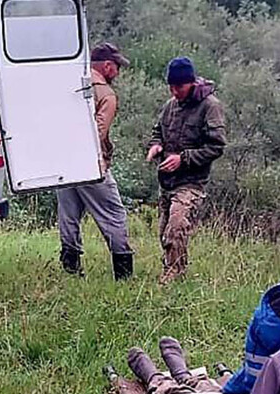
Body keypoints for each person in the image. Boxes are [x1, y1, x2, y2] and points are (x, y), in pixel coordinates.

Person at [146, 57, 226, 285]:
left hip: (192, 181)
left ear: (191, 83)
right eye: (171, 86)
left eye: (179, 87)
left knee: (177, 226)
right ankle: (175, 271)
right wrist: (156, 146)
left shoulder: (210, 106)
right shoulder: (170, 106)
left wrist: (183, 159)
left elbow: (217, 146)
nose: (174, 91)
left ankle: (174, 275)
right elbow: (157, 130)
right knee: (164, 233)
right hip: (167, 181)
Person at [58, 42, 134, 280]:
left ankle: (71, 269)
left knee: (69, 214)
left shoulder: (67, 83)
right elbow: (98, 132)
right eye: (117, 67)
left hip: (62, 160)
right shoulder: (106, 94)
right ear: (108, 66)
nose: (118, 73)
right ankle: (124, 274)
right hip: (90, 164)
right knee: (113, 214)